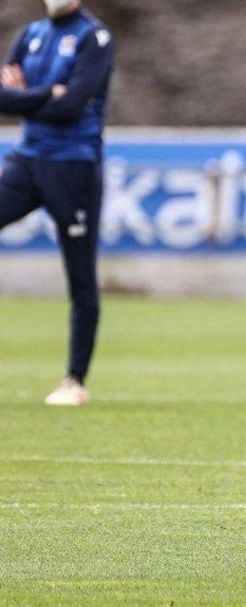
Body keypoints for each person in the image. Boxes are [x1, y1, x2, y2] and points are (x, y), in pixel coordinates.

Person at [0, 0, 113, 406]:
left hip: (73, 167)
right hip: (26, 161)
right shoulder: (30, 35)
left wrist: (24, 95)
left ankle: (74, 380)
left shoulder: (93, 37)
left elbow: (72, 107)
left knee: (80, 275)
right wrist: (48, 91)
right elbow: (4, 99)